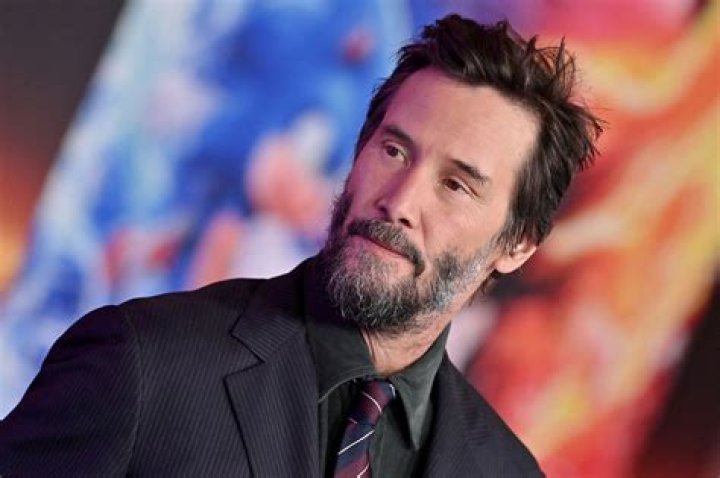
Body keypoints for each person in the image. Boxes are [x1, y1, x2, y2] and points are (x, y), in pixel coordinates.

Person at [0, 14, 602, 477]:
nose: (400, 200)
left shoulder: (505, 471)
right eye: (394, 151)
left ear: (518, 245)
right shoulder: (141, 363)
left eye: (455, 185)